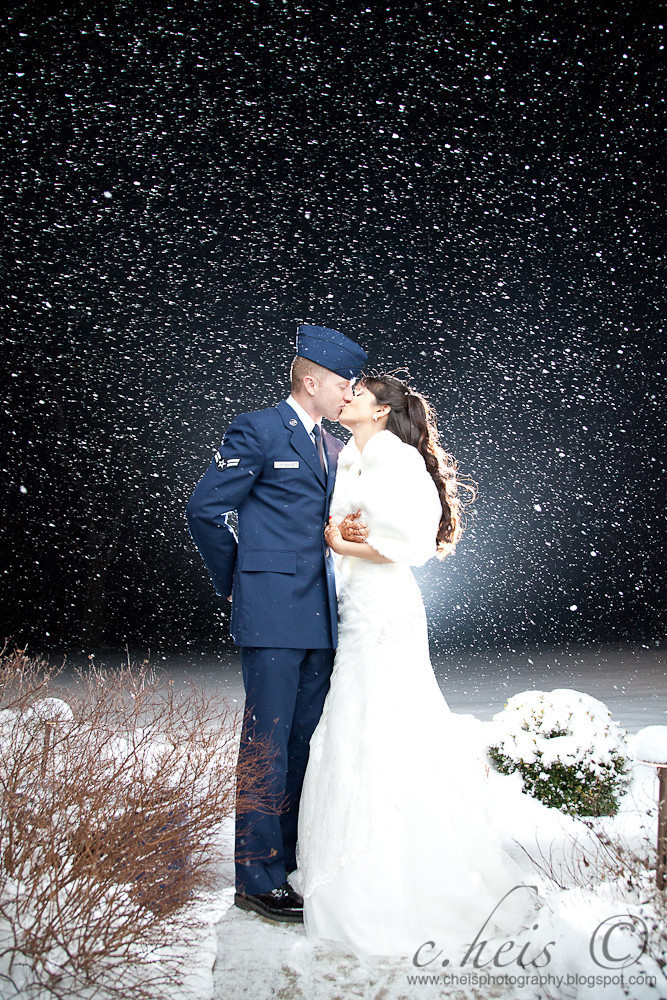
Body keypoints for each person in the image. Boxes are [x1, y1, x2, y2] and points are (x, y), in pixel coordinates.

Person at [296, 373, 533, 956]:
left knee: (388, 723)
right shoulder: (351, 457)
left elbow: (414, 542)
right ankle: (351, 862)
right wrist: (338, 533)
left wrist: (341, 543)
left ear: (380, 412)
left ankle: (402, 881)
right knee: (352, 724)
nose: (345, 396)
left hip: (384, 609)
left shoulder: (396, 460)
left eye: (357, 393)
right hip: (353, 607)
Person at [185, 324, 367, 923]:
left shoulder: (335, 449)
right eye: (344, 383)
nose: (351, 393)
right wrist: (242, 579)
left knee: (301, 743)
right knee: (266, 745)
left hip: (322, 620)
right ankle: (256, 877)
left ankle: (287, 860)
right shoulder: (260, 429)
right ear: (310, 381)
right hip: (271, 616)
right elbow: (207, 509)